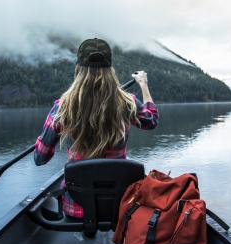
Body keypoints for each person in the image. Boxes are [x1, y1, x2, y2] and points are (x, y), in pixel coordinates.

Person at [33, 38, 158, 219]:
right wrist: (144, 85)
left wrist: (47, 136)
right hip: (121, 207)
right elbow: (151, 120)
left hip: (77, 209)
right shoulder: (127, 102)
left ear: (78, 69)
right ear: (110, 70)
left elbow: (40, 158)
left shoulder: (62, 107)